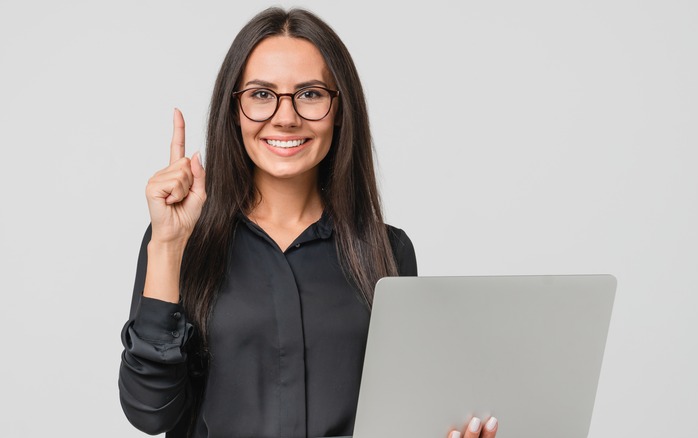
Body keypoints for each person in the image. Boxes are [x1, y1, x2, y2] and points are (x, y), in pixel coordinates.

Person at [118, 7, 498, 438]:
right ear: (234, 110)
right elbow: (149, 412)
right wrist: (168, 245)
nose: (285, 117)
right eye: (261, 94)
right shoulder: (179, 240)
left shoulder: (387, 252)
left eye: (310, 93)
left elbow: (399, 416)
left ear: (339, 109)